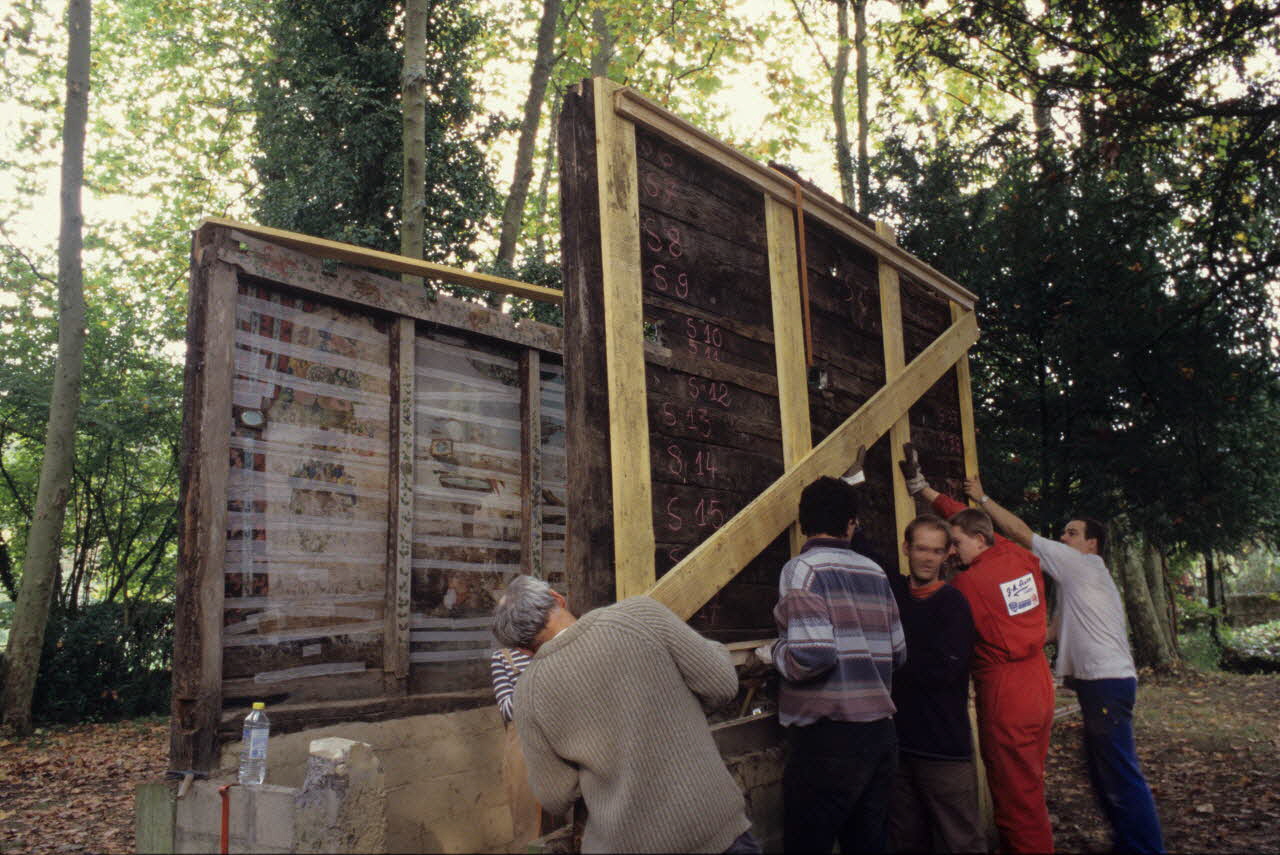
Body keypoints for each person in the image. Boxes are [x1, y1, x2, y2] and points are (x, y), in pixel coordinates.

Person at [960, 477, 1164, 854]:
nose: (1064, 539)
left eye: (1072, 533)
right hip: (1101, 684)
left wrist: (982, 498)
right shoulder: (1080, 584)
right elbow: (1049, 631)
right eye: (1064, 533)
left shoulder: (1081, 563)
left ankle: (1146, 849)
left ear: (1091, 544)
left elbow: (1021, 534)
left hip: (1106, 683)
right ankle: (1128, 842)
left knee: (1120, 774)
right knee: (1103, 773)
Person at [491, 575, 759, 854]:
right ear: (558, 598)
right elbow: (722, 684)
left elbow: (555, 797)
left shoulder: (528, 693)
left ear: (521, 648)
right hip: (713, 827)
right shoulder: (640, 614)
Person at [899, 445, 1055, 854]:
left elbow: (932, 598)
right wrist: (927, 492)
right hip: (1039, 681)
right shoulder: (1017, 556)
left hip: (1006, 693)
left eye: (954, 545)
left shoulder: (966, 587)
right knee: (1031, 783)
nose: (950, 552)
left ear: (977, 541)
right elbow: (970, 522)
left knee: (1013, 797)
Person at [755, 475, 906, 854]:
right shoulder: (876, 572)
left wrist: (770, 652)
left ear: (803, 522)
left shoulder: (802, 570)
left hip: (829, 742)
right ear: (851, 523)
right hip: (880, 737)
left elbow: (814, 655)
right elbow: (899, 652)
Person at [886, 514, 985, 853]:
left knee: (961, 838)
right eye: (921, 549)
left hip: (943, 747)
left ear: (947, 556)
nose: (928, 558)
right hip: (899, 744)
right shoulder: (895, 591)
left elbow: (945, 670)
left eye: (937, 551)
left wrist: (889, 665)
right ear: (906, 549)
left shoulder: (953, 604)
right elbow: (865, 552)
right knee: (904, 839)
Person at [489, 646, 541, 848]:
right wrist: (536, 678)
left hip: (559, 740)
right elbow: (507, 710)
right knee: (527, 823)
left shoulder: (552, 650)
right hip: (524, 747)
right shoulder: (503, 658)